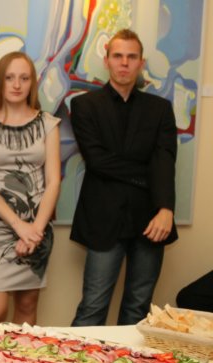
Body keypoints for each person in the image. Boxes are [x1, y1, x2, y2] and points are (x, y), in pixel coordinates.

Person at [70, 29, 178, 326]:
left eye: (132, 57)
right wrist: (148, 174)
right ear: (107, 60)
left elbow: (165, 161)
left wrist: (166, 208)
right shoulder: (84, 106)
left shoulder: (160, 109)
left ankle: (127, 361)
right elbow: (98, 162)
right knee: (93, 307)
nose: (124, 63)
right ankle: (77, 360)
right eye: (118, 56)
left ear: (141, 62)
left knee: (138, 309)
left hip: (152, 220)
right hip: (104, 220)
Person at [0, 52, 61, 327]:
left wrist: (35, 231)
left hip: (37, 228)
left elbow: (53, 181)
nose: (17, 84)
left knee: (27, 307)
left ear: (33, 83)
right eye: (10, 78)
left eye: (24, 78)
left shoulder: (48, 124)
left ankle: (20, 356)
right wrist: (19, 226)